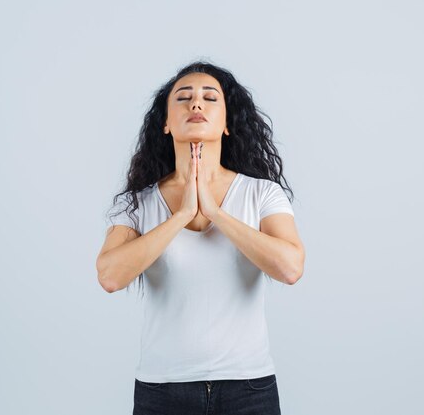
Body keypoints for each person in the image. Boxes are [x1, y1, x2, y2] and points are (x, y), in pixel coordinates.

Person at [96, 61, 306, 415]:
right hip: (162, 391)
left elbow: (290, 268)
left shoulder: (262, 194)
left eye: (210, 98)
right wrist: (179, 217)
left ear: (226, 124)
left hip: (249, 389)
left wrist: (217, 214)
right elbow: (110, 276)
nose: (196, 104)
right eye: (183, 98)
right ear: (165, 123)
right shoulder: (138, 203)